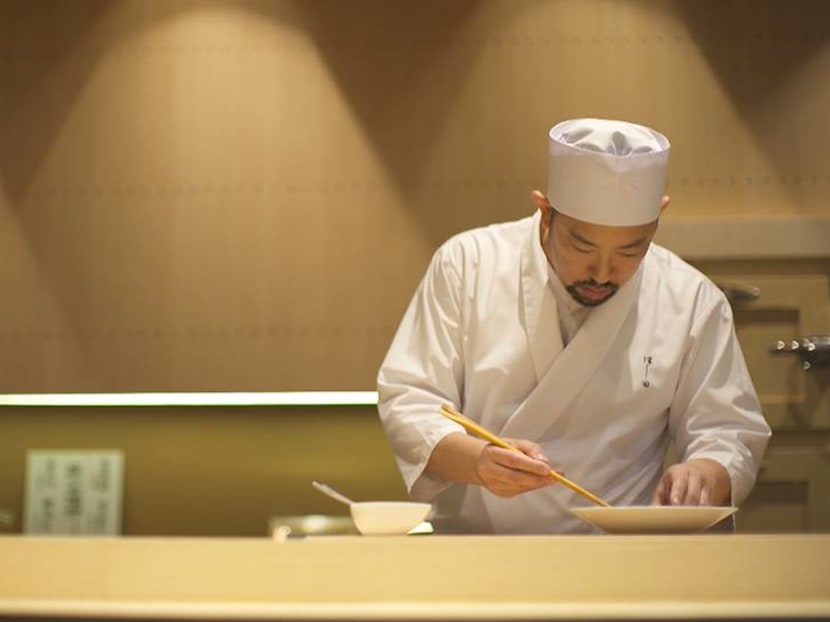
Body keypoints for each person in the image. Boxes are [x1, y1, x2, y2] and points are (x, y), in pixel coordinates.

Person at [376, 118, 772, 534]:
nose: (602, 273)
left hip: (624, 551)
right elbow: (412, 398)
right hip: (482, 545)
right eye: (581, 246)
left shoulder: (691, 299)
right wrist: (476, 461)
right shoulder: (468, 265)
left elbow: (728, 428)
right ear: (545, 212)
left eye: (630, 250)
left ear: (659, 218)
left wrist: (707, 471)